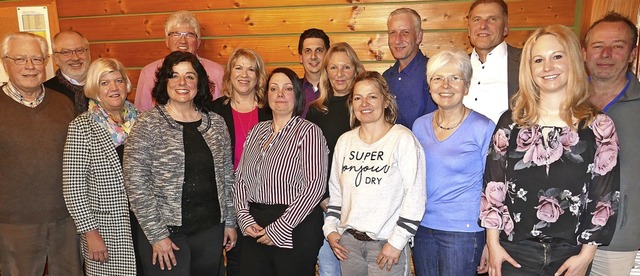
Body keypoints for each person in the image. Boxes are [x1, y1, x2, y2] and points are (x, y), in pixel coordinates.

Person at [482, 24, 620, 276]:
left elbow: (605, 196)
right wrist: (492, 244)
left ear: (573, 60)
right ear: (529, 68)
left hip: (572, 253)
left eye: (557, 56)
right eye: (538, 60)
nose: (547, 67)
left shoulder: (600, 126)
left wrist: (586, 256)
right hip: (514, 251)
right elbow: (494, 187)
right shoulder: (510, 123)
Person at [124, 51, 236, 275]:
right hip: (167, 235)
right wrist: (157, 235)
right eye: (174, 75)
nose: (182, 83)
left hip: (210, 231)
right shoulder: (148, 123)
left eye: (190, 76)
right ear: (165, 81)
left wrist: (230, 221)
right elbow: (136, 183)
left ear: (199, 82)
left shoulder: (216, 123)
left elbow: (226, 177)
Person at [323, 71, 426, 275]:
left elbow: (415, 196)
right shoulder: (345, 142)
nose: (364, 104)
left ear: (386, 101)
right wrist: (331, 230)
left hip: (386, 245)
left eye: (372, 96)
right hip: (348, 244)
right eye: (358, 98)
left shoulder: (402, 139)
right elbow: (337, 194)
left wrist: (396, 243)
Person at [0, 32, 82, 275]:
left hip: (66, 222)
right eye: (20, 59)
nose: (30, 67)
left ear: (46, 62)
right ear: (5, 63)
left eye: (36, 59)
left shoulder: (63, 104)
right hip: (13, 225)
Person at [234, 67, 328, 276]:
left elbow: (314, 187)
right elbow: (241, 178)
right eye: (274, 89)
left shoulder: (309, 132)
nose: (280, 94)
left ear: (297, 94)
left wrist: (280, 228)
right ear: (266, 95)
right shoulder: (257, 130)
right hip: (254, 224)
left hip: (295, 225)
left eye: (287, 88)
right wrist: (243, 216)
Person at [412, 49, 495, 276]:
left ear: (467, 86)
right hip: (423, 229)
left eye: (454, 78)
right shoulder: (419, 126)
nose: (445, 85)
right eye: (438, 78)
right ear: (429, 86)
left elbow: (494, 188)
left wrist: (491, 241)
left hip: (464, 233)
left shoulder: (484, 128)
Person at [63, 58, 138, 275]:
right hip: (105, 230)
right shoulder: (81, 127)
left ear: (126, 85)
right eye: (104, 83)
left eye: (118, 81)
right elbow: (73, 188)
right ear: (95, 88)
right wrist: (90, 233)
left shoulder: (142, 121)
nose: (113, 88)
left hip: (144, 225)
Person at [583, 12, 640, 276]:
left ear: (632, 53)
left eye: (617, 46)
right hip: (562, 239)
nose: (605, 54)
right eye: (597, 46)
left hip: (618, 240)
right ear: (584, 52)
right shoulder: (563, 101)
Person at [211, 48, 272, 276]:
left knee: (259, 262)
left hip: (260, 200)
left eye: (251, 69)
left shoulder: (270, 111)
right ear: (229, 74)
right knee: (235, 262)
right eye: (238, 68)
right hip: (225, 200)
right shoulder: (214, 111)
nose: (244, 74)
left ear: (259, 76)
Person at [307, 42, 366, 276]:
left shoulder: (365, 109)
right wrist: (323, 198)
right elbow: (310, 160)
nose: (339, 74)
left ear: (355, 70)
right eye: (333, 68)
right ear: (326, 71)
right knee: (329, 268)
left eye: (346, 67)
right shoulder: (315, 111)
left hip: (360, 205)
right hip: (326, 204)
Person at [135, 10, 223, 112]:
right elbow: (142, 113)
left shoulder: (217, 72)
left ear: (198, 42)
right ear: (167, 41)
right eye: (176, 34)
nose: (183, 41)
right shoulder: (149, 72)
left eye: (189, 35)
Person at [464, 0, 522, 123]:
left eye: (492, 19)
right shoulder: (456, 65)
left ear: (505, 28)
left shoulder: (526, 62)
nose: (483, 25)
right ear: (469, 30)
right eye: (476, 20)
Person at [383, 8, 437, 128]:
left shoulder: (433, 74)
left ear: (419, 36)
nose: (398, 40)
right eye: (392, 33)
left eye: (405, 32)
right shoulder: (386, 78)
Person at [44, 30, 91, 114]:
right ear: (56, 58)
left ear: (89, 53)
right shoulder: (45, 92)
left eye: (80, 50)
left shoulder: (106, 87)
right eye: (66, 52)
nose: (75, 58)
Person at [298, 28, 330, 118]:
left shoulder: (337, 90)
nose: (313, 56)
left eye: (319, 50)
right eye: (308, 51)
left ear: (328, 55)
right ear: (300, 57)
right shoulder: (292, 90)